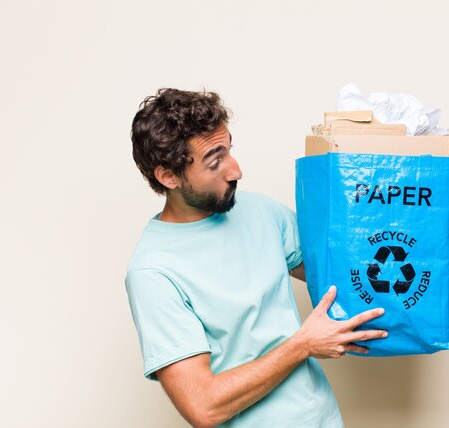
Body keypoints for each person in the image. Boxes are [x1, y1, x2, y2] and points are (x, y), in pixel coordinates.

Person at [125, 88, 388, 428]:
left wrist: (425, 258)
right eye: (214, 160)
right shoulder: (153, 272)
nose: (236, 170)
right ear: (168, 176)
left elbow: (341, 272)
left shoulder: (260, 210)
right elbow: (203, 407)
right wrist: (302, 345)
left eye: (229, 149)